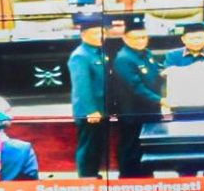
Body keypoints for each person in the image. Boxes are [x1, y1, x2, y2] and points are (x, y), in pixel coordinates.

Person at [111, 14, 167, 179]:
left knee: (146, 146)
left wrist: (165, 73)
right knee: (132, 146)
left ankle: (145, 177)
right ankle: (128, 180)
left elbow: (154, 74)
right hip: (133, 112)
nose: (141, 41)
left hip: (149, 109)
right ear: (125, 38)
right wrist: (160, 100)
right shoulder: (124, 59)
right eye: (136, 38)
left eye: (144, 37)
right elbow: (136, 87)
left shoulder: (146, 53)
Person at [67, 14, 109, 181]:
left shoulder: (98, 52)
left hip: (101, 108)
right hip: (90, 111)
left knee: (97, 145)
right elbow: (82, 87)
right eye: (95, 33)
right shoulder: (80, 55)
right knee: (89, 147)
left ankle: (93, 175)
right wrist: (90, 110)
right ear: (83, 35)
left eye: (102, 32)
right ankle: (86, 179)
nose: (101, 36)